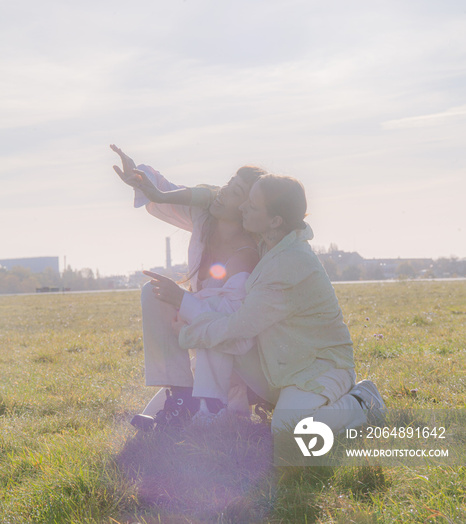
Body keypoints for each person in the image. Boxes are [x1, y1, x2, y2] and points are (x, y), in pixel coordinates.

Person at [149, 173, 386, 434]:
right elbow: (216, 194)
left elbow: (236, 331)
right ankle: (210, 410)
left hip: (317, 368)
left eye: (251, 204)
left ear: (275, 219)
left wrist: (186, 332)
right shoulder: (271, 239)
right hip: (276, 365)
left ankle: (363, 401)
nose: (242, 207)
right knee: (217, 313)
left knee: (287, 429)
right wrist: (154, 191)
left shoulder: (289, 263)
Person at [110, 144, 267, 429]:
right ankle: (180, 396)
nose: (223, 192)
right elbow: (167, 192)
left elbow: (228, 323)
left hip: (236, 355)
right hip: (202, 334)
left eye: (235, 192)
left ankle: (206, 407)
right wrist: (140, 176)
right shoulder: (203, 218)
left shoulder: (247, 254)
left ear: (248, 208)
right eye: (228, 184)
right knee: (152, 293)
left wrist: (182, 302)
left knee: (208, 415)